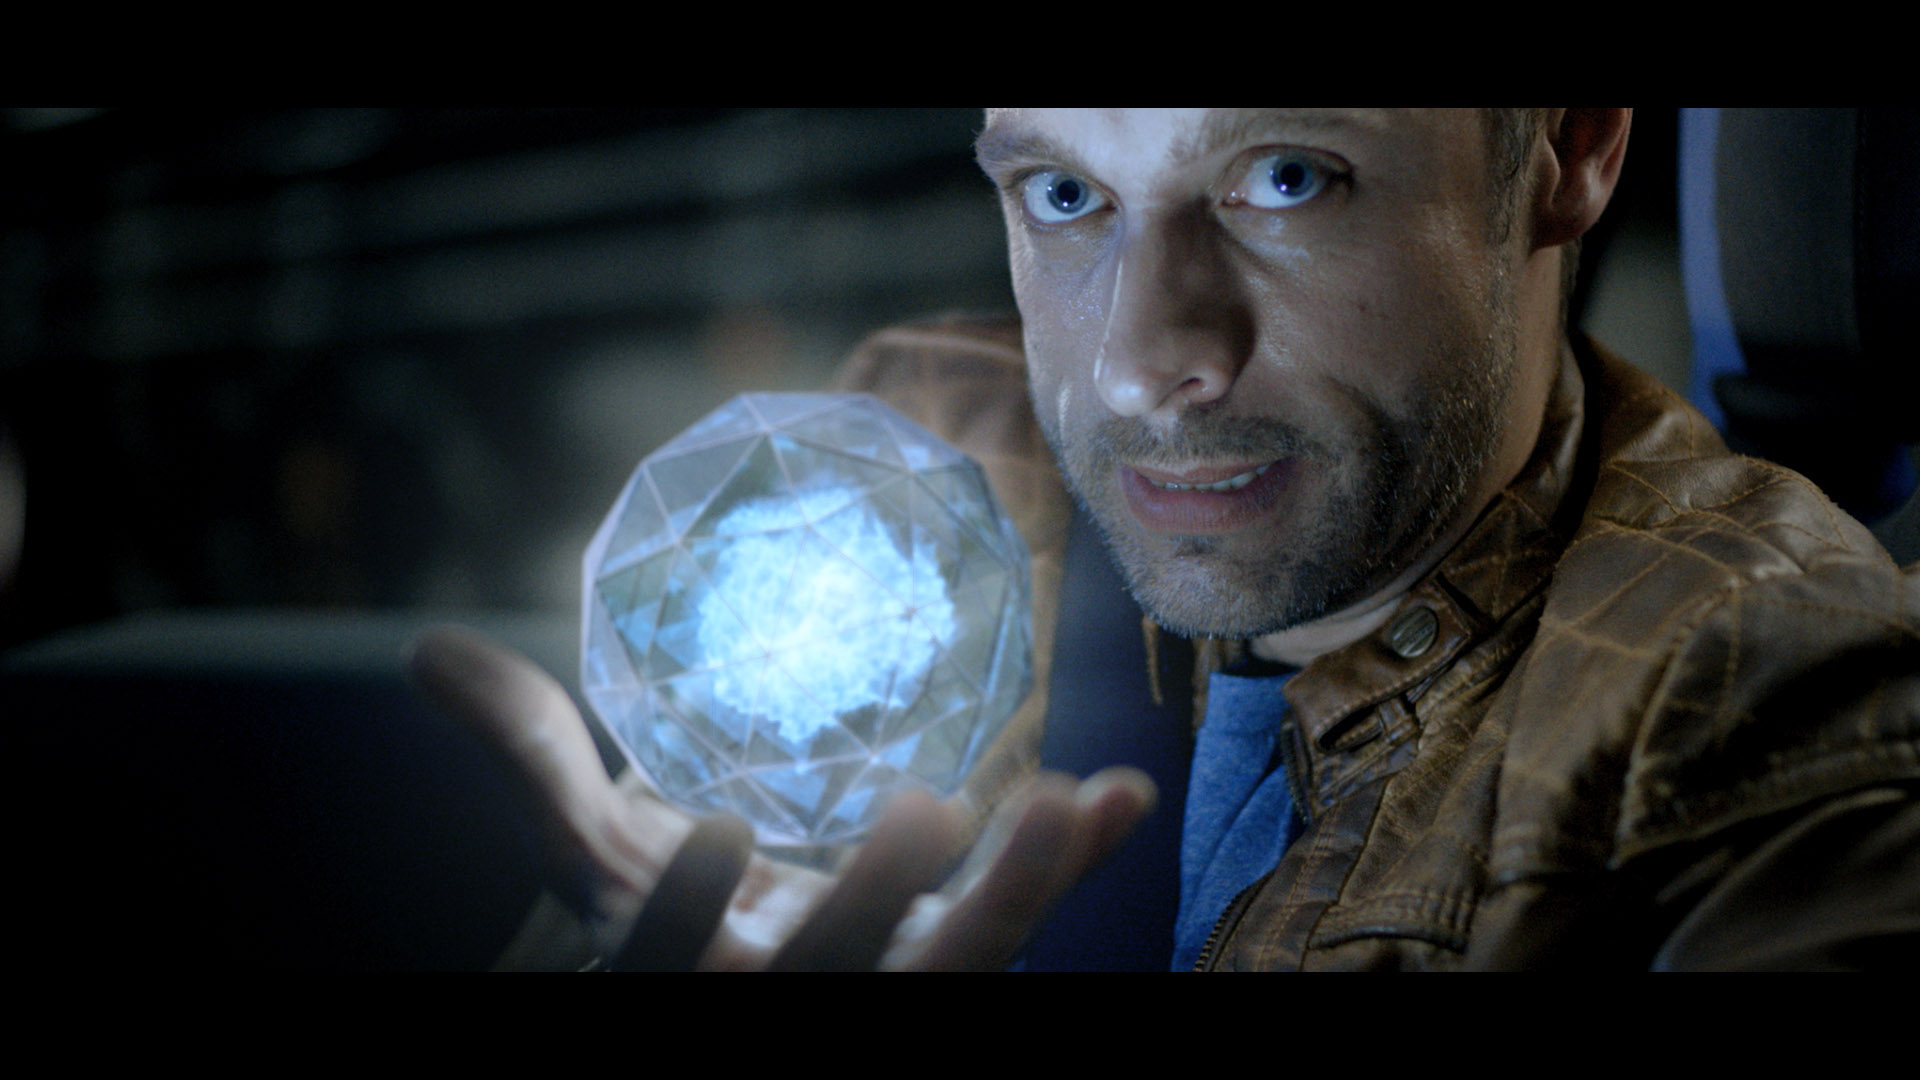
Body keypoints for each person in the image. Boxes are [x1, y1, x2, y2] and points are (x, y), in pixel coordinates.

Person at [409, 108, 1920, 970]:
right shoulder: (925, 486)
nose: (1140, 364)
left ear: (1568, 148)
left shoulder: (1777, 723)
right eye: (1066, 193)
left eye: (1286, 176)